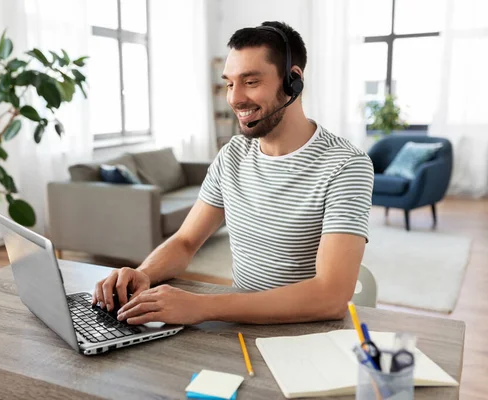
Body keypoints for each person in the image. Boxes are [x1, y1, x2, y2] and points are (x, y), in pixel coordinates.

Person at [92, 21, 374, 325]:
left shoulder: (346, 165)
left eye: (250, 82)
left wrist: (204, 307)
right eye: (230, 83)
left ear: (293, 81)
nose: (235, 99)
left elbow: (330, 298)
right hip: (239, 327)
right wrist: (142, 274)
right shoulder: (232, 155)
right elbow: (186, 241)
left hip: (305, 336)